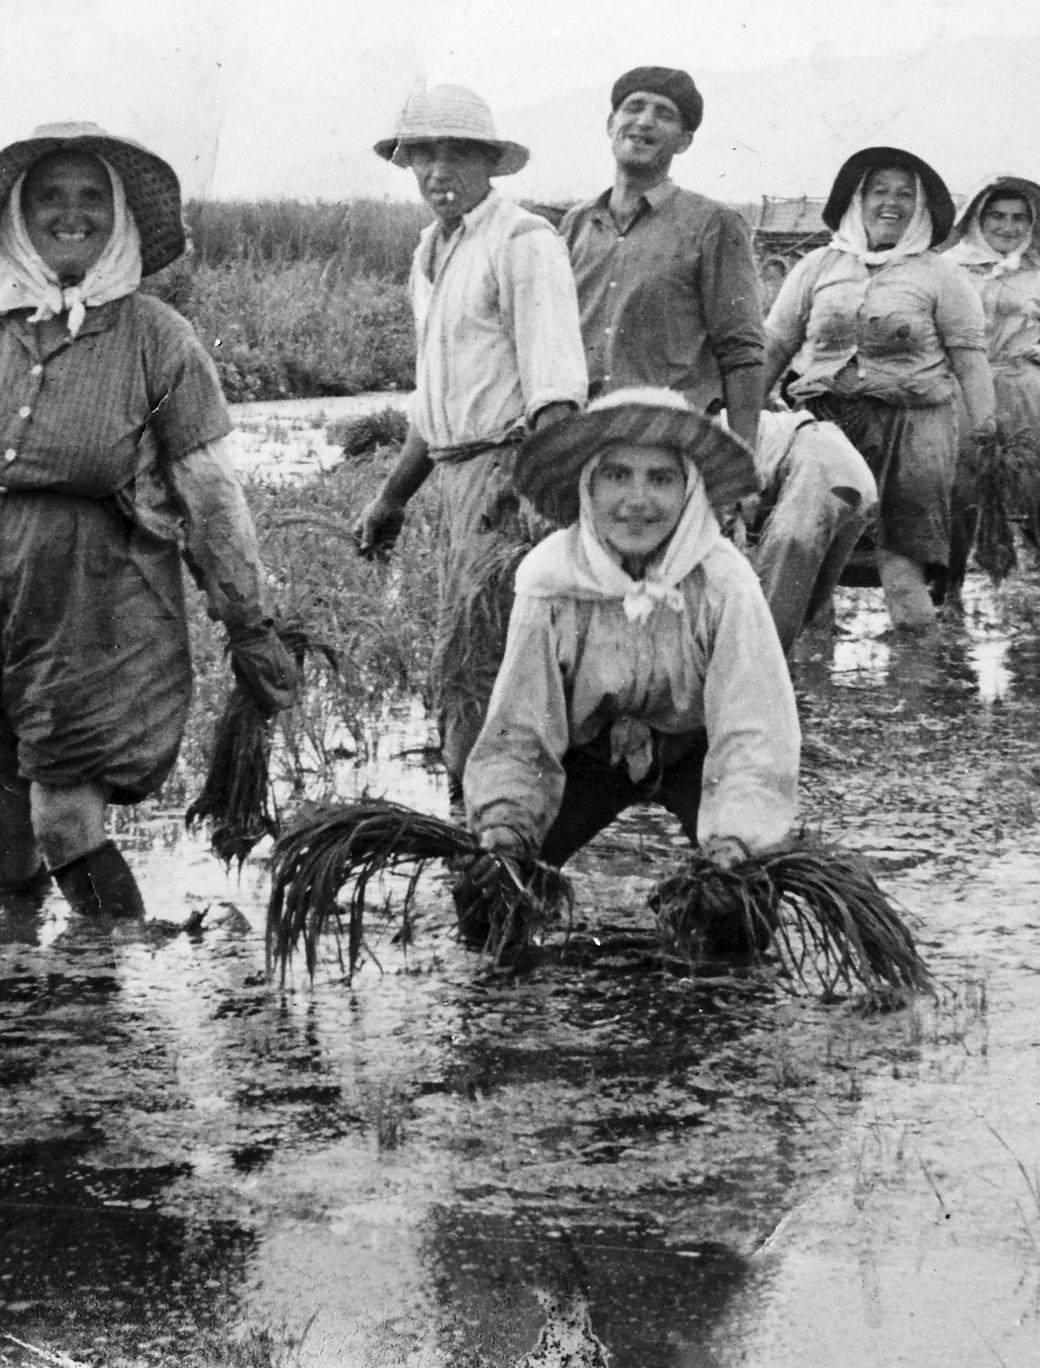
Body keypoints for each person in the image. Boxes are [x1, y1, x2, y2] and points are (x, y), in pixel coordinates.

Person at [0, 123, 298, 918]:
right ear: (15, 216)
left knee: (64, 818)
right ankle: (13, 1012)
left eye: (89, 200)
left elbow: (210, 496)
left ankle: (103, 1003)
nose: (70, 216)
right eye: (48, 199)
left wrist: (248, 623)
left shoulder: (158, 340)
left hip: (90, 610)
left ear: (119, 220)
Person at [351, 84, 589, 789]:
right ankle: (479, 805)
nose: (436, 173)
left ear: (490, 163)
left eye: (455, 155)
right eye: (422, 156)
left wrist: (538, 503)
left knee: (482, 652)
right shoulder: (432, 252)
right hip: (456, 478)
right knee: (466, 649)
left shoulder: (524, 242)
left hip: (509, 476)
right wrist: (392, 499)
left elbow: (556, 394)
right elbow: (436, 407)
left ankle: (487, 816)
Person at [465, 388, 799, 870]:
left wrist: (737, 840)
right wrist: (505, 822)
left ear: (688, 493)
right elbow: (520, 731)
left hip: (697, 757)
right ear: (589, 488)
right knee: (493, 890)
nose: (637, 501)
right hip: (589, 756)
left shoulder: (725, 584)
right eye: (617, 475)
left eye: (660, 479)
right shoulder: (550, 581)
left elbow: (754, 735)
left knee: (740, 906)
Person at [762, 146, 995, 633]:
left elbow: (971, 365)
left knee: (903, 573)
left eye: (905, 194)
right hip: (824, 428)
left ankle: (916, 694)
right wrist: (743, 418)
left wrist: (988, 437)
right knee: (807, 568)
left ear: (922, 208)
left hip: (910, 435)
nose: (891, 203)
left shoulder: (941, 277)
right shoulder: (818, 267)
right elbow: (776, 345)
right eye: (879, 191)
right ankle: (806, 696)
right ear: (857, 200)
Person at [557, 66, 766, 461]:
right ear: (610, 124)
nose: (644, 121)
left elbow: (742, 353)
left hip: (672, 443)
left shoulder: (712, 224)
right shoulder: (576, 225)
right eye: (634, 107)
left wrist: (741, 463)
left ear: (684, 142)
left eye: (664, 114)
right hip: (581, 440)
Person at [942, 176, 1040, 605]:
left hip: (1024, 385)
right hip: (961, 392)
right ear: (977, 219)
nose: (1008, 227)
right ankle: (946, 599)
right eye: (997, 216)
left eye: (1018, 218)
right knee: (955, 497)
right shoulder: (946, 271)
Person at [749, 409, 878, 653]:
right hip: (855, 475)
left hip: (816, 471)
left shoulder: (706, 436)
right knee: (804, 610)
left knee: (771, 622)